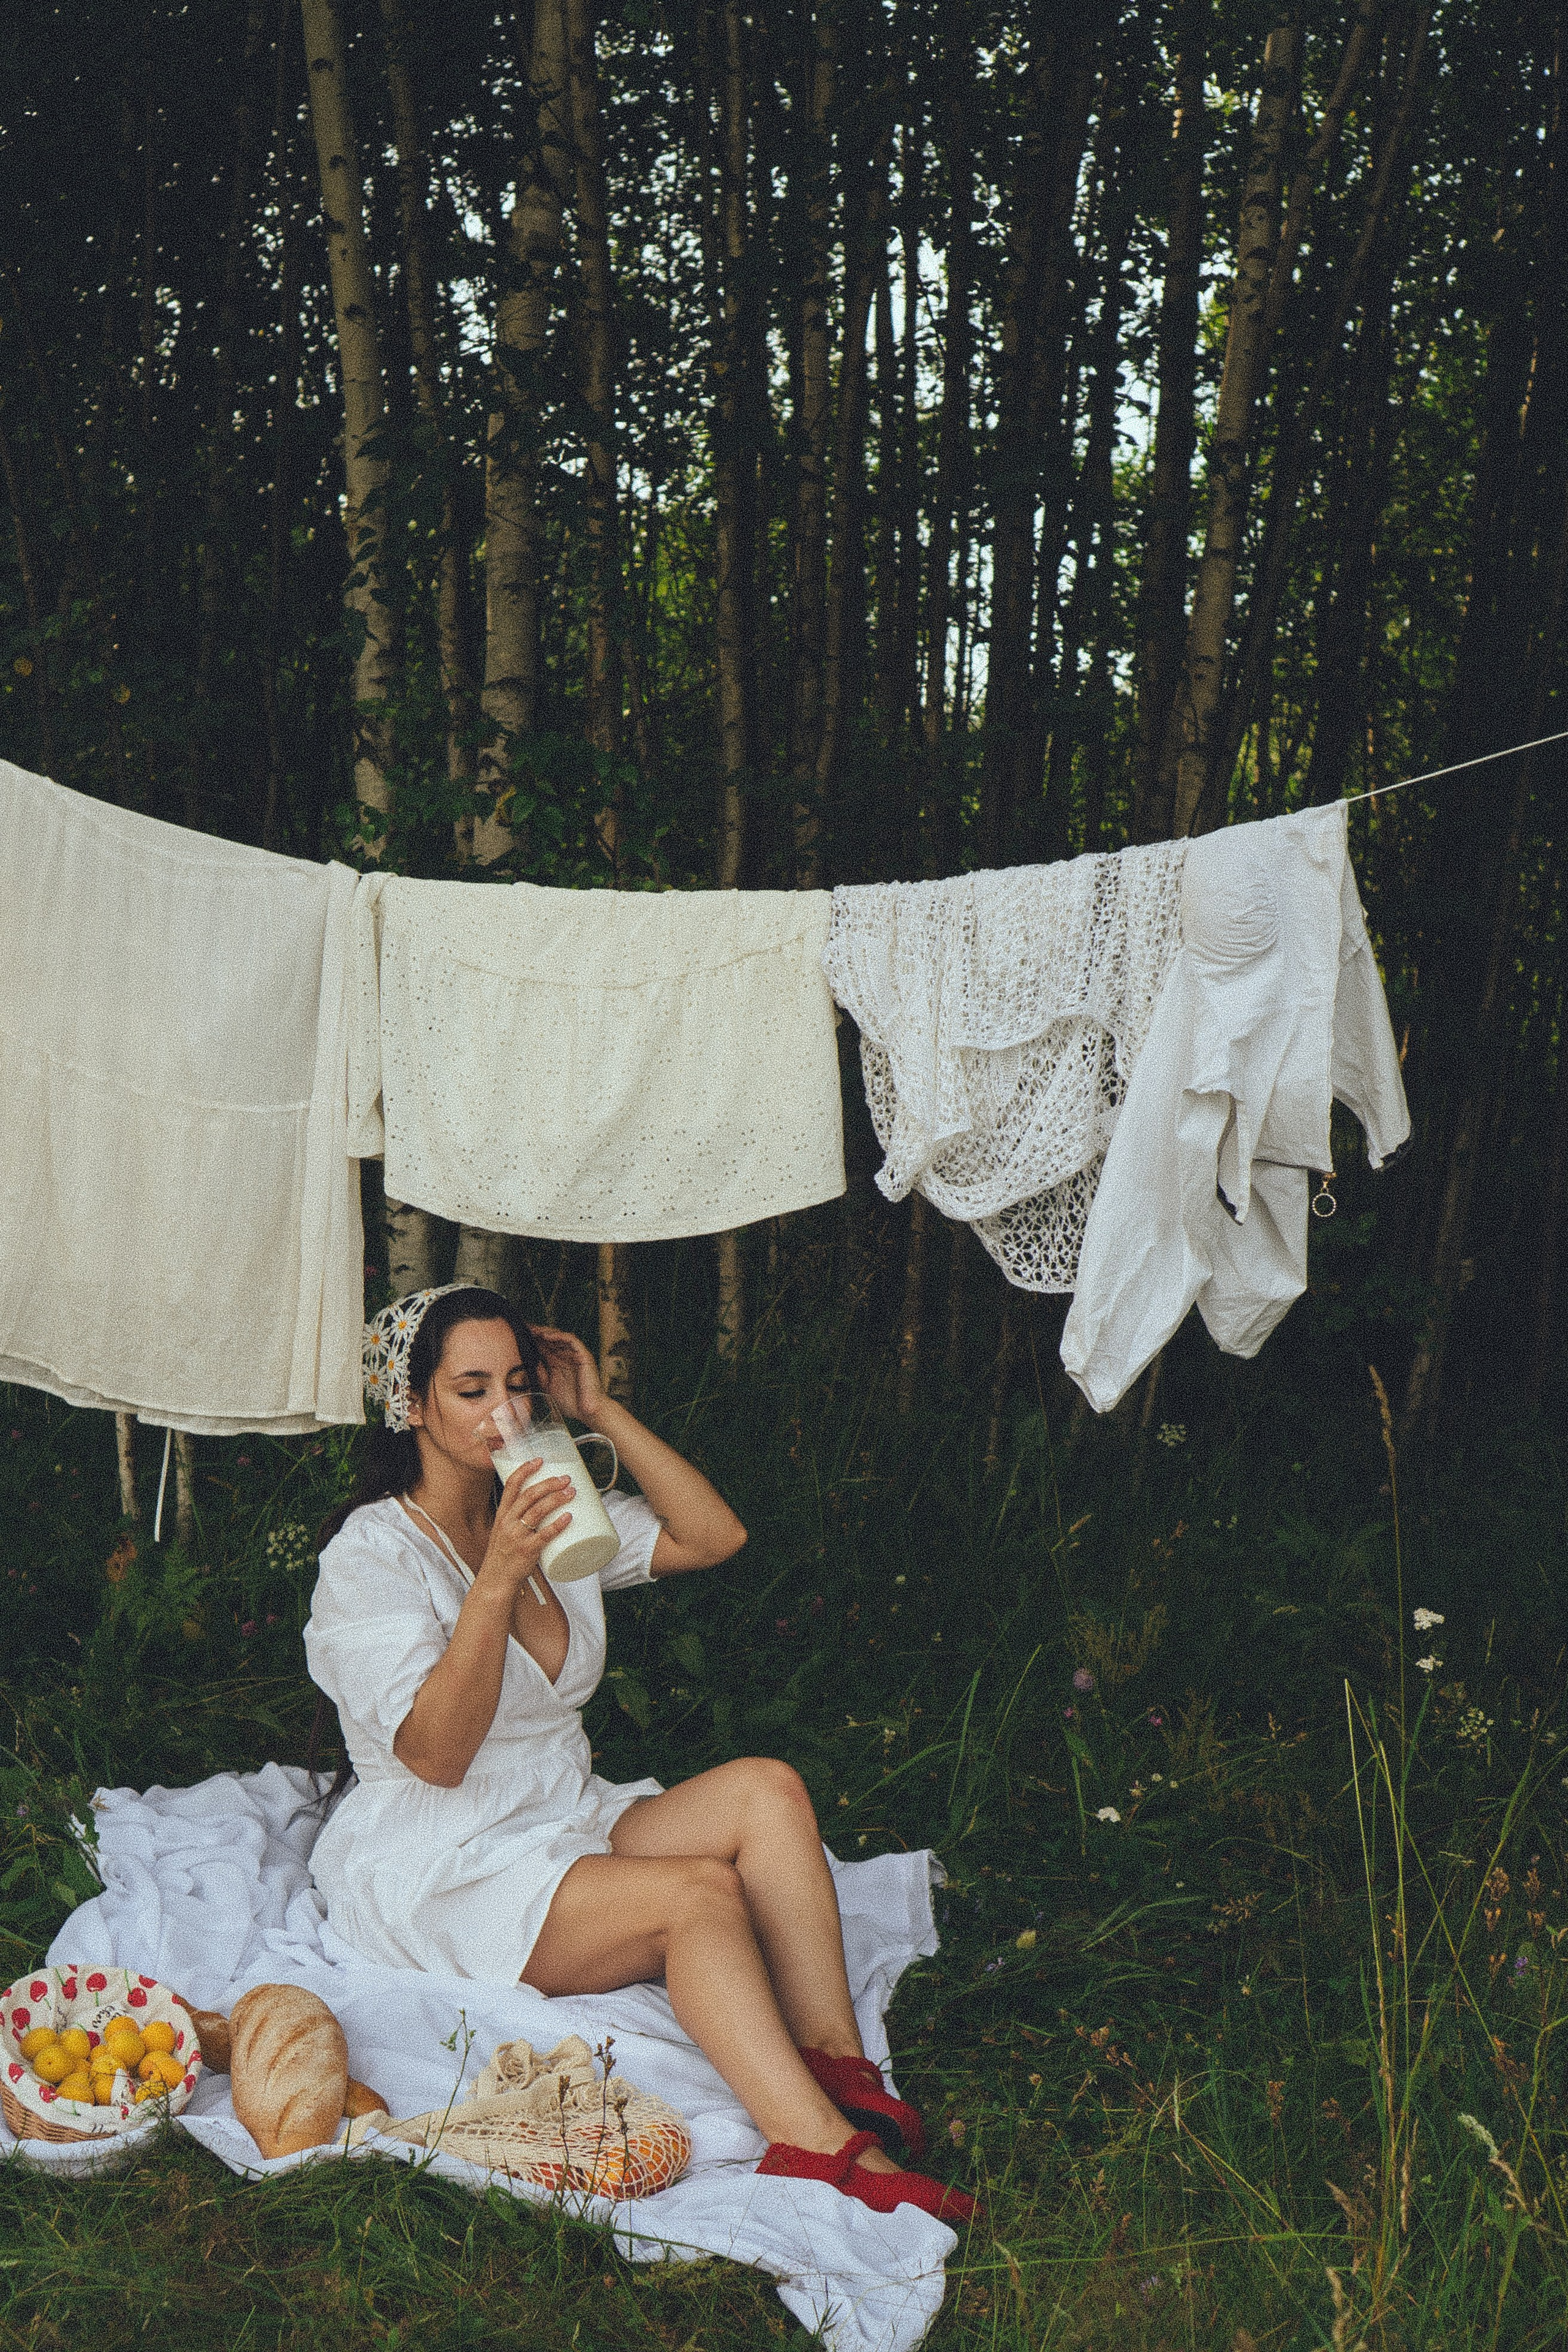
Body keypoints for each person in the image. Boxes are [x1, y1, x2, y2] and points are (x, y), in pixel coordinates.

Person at [306, 1283, 972, 2222]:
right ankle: (814, 2147)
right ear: (410, 1408)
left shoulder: (545, 1504)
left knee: (767, 1791)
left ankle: (835, 2063)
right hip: (444, 1856)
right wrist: (496, 1577)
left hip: (558, 1809)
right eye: (470, 1391)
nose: (506, 1413)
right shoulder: (373, 1556)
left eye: (519, 1385)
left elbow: (715, 1536)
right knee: (697, 1896)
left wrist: (599, 1411)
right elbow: (439, 1757)